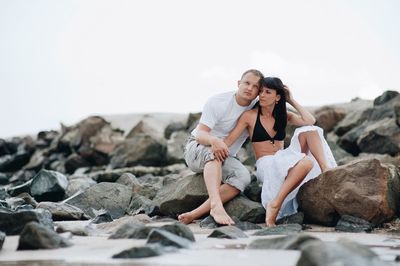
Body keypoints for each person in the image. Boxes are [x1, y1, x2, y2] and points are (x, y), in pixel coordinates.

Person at [224, 77, 337, 226]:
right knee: (306, 162)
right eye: (261, 91)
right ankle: (275, 204)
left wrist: (290, 100)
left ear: (277, 97)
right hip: (266, 164)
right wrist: (212, 147)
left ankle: (325, 170)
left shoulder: (283, 114)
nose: (262, 95)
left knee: (311, 130)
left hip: (283, 158)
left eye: (268, 92)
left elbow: (310, 120)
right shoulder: (249, 116)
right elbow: (230, 139)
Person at [178, 69, 264, 225]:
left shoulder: (256, 109)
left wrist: (289, 99)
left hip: (227, 155)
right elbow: (200, 134)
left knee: (243, 178)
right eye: (247, 83)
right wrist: (213, 140)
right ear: (239, 83)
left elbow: (300, 118)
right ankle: (217, 207)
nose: (250, 88)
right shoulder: (218, 102)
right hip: (197, 147)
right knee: (214, 153)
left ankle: (194, 214)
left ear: (259, 91)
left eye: (255, 86)